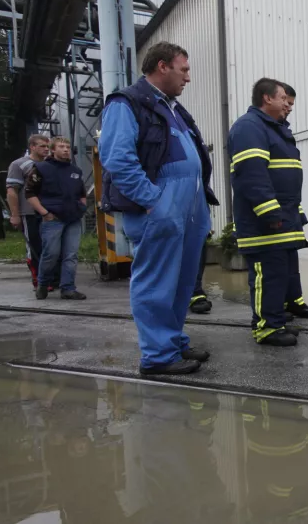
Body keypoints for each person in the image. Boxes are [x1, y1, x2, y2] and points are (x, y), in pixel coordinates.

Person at [99, 41, 217, 376]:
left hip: (189, 207)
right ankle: (157, 356)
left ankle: (173, 340)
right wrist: (153, 201)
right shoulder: (128, 103)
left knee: (181, 282)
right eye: (185, 69)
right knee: (156, 281)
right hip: (160, 206)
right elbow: (118, 159)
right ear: (162, 66)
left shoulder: (172, 109)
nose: (188, 78)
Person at [228, 78, 308, 347]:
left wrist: (295, 215)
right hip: (264, 222)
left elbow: (287, 181)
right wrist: (270, 214)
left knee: (279, 274)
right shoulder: (249, 128)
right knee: (267, 273)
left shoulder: (274, 129)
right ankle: (266, 327)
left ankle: (276, 320)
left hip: (281, 219)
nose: (288, 104)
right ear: (267, 98)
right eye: (283, 98)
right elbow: (252, 176)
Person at [25, 137, 87, 300]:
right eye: (61, 146)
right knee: (51, 253)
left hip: (73, 219)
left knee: (70, 255)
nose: (66, 149)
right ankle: (43, 284)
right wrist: (44, 213)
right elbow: (29, 193)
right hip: (52, 219)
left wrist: (81, 208)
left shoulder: (75, 171)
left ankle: (68, 288)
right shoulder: (41, 168)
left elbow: (82, 193)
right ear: (53, 150)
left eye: (67, 146)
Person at [277, 83, 308, 321]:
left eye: (292, 104)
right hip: (276, 212)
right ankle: (278, 307)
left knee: (292, 259)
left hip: (291, 210)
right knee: (278, 262)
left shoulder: (284, 131)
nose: (289, 107)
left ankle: (295, 301)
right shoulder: (258, 129)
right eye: (287, 102)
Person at [7, 135, 58, 289]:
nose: (46, 149)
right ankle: (39, 280)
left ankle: (54, 277)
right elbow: (12, 191)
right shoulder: (19, 165)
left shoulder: (51, 164)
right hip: (29, 213)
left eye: (48, 146)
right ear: (32, 147)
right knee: (35, 247)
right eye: (42, 146)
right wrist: (15, 215)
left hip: (51, 212)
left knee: (52, 247)